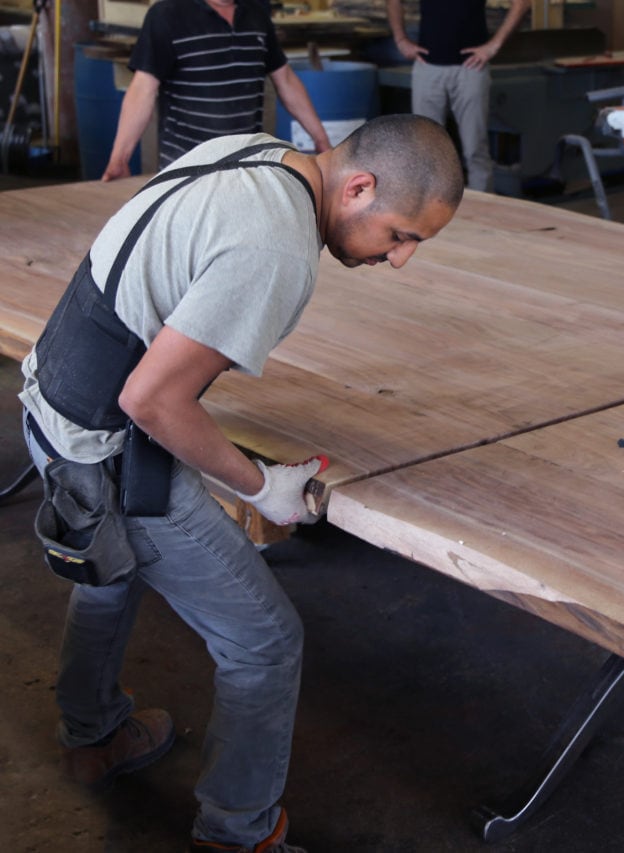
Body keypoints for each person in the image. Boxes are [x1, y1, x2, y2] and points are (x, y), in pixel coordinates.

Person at [21, 114, 463, 852]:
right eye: (398, 235)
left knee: (108, 575)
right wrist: (261, 487)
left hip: (52, 397)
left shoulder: (253, 152)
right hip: (103, 448)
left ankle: (91, 738)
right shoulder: (277, 247)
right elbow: (152, 401)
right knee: (265, 641)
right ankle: (238, 833)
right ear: (357, 188)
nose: (401, 259)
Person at [101, 0, 335, 181]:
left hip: (246, 166)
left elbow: (285, 80)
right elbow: (142, 89)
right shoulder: (167, 14)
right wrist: (119, 158)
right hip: (186, 170)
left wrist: (321, 141)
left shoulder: (256, 13)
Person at [385, 0, 531, 192]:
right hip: (428, 68)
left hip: (470, 69)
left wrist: (493, 46)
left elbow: (522, 3)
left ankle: (482, 214)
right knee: (426, 150)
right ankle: (432, 213)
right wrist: (401, 40)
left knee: (475, 149)